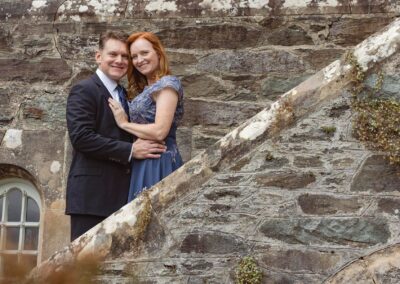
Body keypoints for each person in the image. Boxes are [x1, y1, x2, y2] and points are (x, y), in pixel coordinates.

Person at [66, 31, 166, 241]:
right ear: (98, 56)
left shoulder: (124, 94)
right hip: (92, 198)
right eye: (113, 54)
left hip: (125, 194)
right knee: (86, 269)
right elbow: (82, 137)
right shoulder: (84, 89)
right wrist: (130, 150)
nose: (120, 61)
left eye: (125, 56)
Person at [108, 32, 184, 202]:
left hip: (159, 161)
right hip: (142, 160)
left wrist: (124, 123)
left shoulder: (167, 85)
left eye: (144, 53)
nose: (139, 60)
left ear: (158, 52)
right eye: (134, 56)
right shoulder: (145, 88)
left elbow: (159, 132)